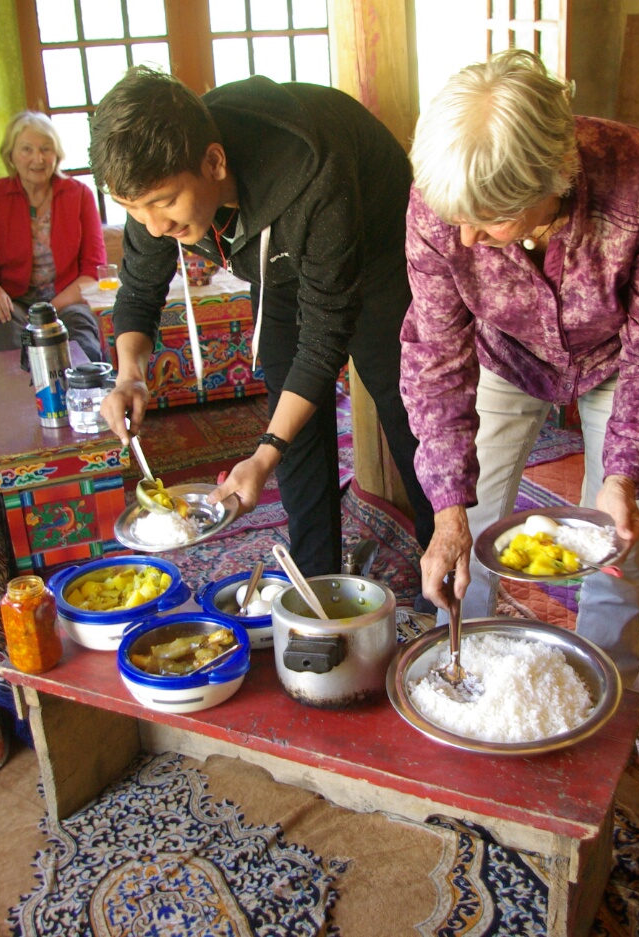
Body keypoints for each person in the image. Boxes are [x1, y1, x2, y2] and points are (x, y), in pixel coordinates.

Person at [400, 50, 639, 685]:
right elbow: (435, 355)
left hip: (619, 364)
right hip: (504, 353)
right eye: (457, 222)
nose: (467, 243)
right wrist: (447, 509)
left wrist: (622, 479)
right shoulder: (443, 202)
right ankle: (463, 675)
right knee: (468, 531)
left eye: (491, 223)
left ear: (554, 181)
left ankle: (603, 695)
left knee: (617, 539)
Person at [90, 66, 435, 579]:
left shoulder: (314, 170)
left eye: (163, 204)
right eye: (133, 209)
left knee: (407, 408)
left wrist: (264, 453)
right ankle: (317, 585)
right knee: (289, 414)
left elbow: (323, 341)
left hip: (380, 252)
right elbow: (139, 292)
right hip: (281, 263)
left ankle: (447, 569)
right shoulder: (154, 180)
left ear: (213, 161)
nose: (154, 225)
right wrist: (129, 377)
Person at [0, 111, 106, 366]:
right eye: (27, 149)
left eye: (46, 149)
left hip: (66, 300)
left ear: (57, 155)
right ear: (10, 155)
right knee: (5, 333)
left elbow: (93, 271)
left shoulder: (80, 195)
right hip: (14, 302)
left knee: (82, 341)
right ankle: (24, 401)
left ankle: (85, 398)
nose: (38, 158)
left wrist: (48, 312)